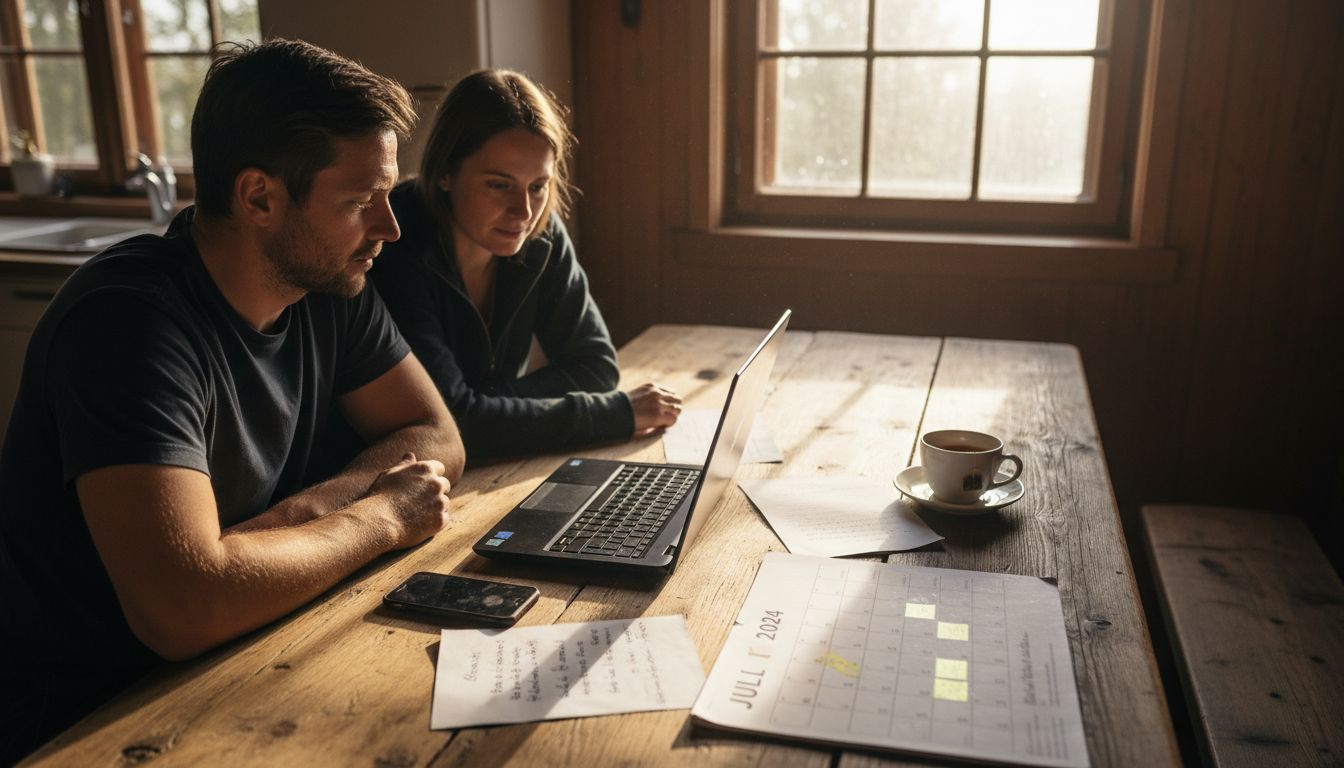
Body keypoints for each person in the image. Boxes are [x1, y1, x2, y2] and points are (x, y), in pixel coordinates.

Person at [0, 40, 465, 763]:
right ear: (259, 198)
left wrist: (299, 517)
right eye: (358, 201)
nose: (389, 226)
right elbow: (183, 608)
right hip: (86, 717)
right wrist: (380, 516)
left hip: (242, 651)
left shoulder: (330, 284)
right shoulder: (125, 324)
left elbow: (435, 433)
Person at [367, 68, 682, 461]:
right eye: (499, 184)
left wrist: (489, 410)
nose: (524, 211)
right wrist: (613, 414)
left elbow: (596, 368)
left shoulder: (540, 235)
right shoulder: (395, 244)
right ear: (445, 171)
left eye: (538, 186)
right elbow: (449, 425)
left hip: (494, 466)